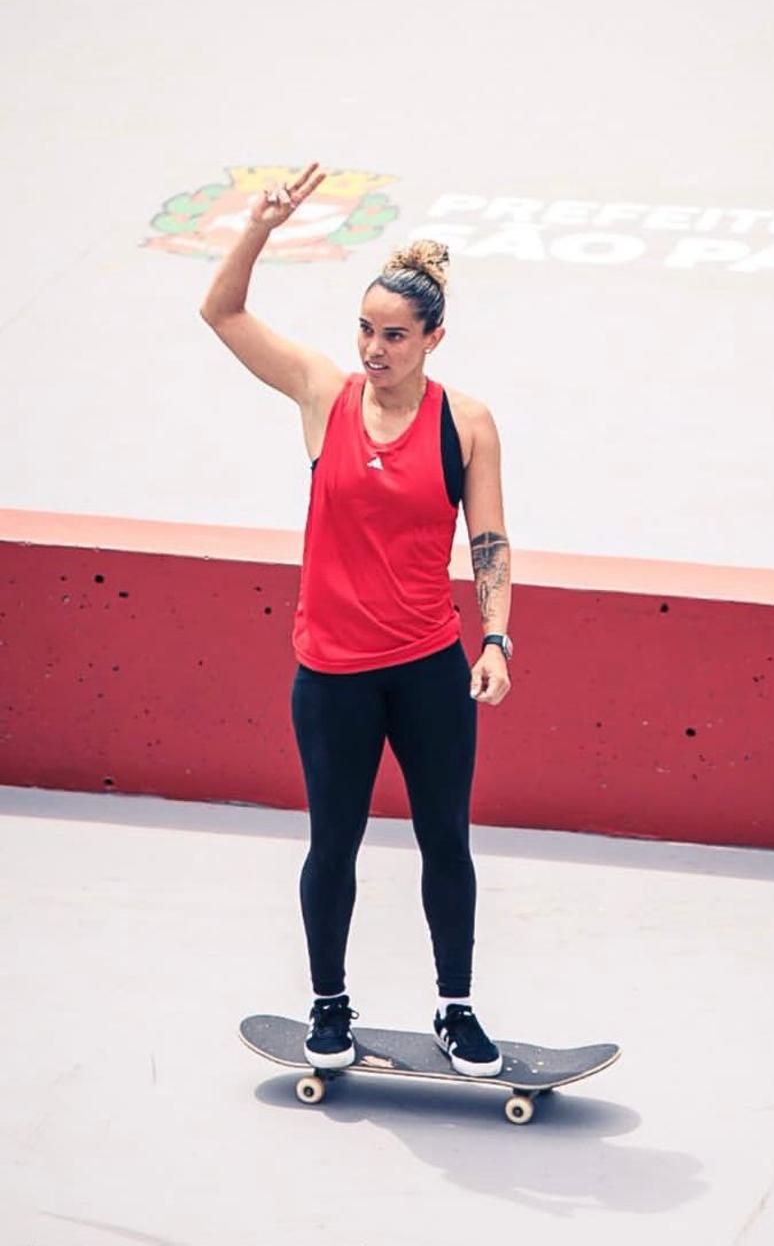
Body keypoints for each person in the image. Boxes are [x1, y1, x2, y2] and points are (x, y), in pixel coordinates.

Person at [199, 161, 513, 1077]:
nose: (375, 349)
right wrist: (260, 226)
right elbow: (222, 315)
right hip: (331, 672)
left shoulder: (467, 424)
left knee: (443, 840)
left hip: (425, 668)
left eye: (395, 336)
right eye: (366, 332)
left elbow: (489, 541)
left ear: (432, 339)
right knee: (331, 844)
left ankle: (456, 1010)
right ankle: (328, 1006)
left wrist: (495, 638)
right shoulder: (320, 396)